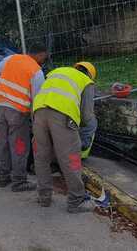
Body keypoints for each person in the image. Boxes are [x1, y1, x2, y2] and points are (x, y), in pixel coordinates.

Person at [32, 61, 98, 213]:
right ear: (90, 75)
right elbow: (87, 117)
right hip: (62, 116)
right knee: (71, 158)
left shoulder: (56, 72)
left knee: (42, 157)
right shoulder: (86, 82)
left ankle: (44, 197)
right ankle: (76, 200)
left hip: (39, 113)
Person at [0, 44, 48, 192]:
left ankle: (3, 177)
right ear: (40, 55)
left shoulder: (10, 59)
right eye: (45, 57)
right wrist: (36, 121)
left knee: (2, 142)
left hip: (1, 108)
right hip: (18, 112)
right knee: (19, 146)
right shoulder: (37, 71)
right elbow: (37, 99)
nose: (45, 60)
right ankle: (19, 181)